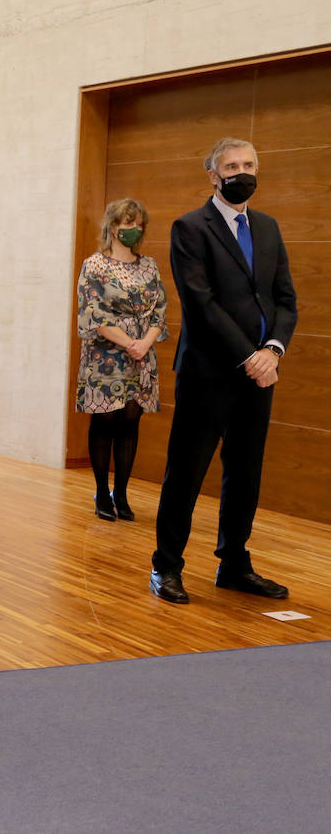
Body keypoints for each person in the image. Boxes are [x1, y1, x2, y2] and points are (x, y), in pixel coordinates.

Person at [149, 137, 298, 605]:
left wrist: (272, 349)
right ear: (213, 175)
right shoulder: (190, 227)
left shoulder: (269, 228)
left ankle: (234, 562)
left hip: (260, 372)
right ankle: (166, 566)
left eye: (249, 163)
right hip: (208, 373)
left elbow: (284, 300)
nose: (242, 172)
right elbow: (200, 302)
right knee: (187, 472)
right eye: (231, 166)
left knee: (245, 471)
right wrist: (249, 355)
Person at [75, 199, 168, 521]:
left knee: (130, 422)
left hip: (141, 356)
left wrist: (144, 344)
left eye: (140, 224)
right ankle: (102, 491)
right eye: (129, 223)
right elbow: (93, 314)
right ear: (113, 226)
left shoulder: (149, 266)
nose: (135, 229)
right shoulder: (95, 265)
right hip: (105, 356)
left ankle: (122, 493)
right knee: (105, 422)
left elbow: (160, 311)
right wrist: (129, 342)